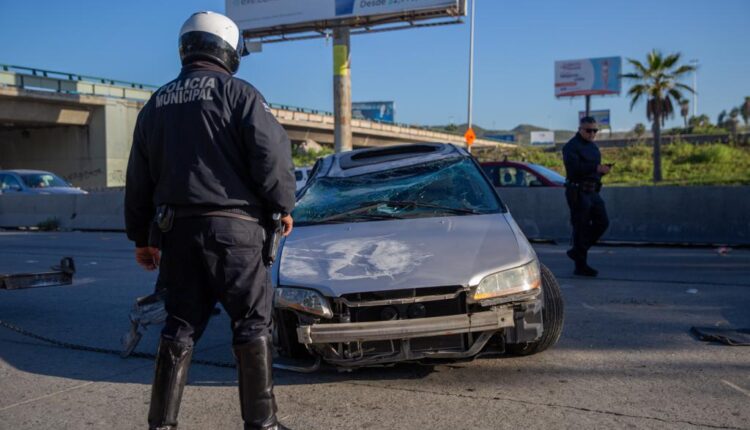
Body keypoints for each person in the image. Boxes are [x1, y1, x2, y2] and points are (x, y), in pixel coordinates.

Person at [125, 11, 296, 430]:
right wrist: (283, 205)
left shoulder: (156, 103)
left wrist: (142, 239)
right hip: (235, 232)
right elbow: (270, 158)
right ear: (227, 49)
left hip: (176, 233)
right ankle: (263, 425)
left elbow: (139, 179)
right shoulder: (240, 94)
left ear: (186, 47)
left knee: (179, 326)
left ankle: (161, 425)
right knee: (252, 324)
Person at [562, 116, 611, 277]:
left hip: (592, 191)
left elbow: (592, 171)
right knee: (580, 227)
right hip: (578, 191)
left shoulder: (593, 147)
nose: (592, 133)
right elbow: (574, 169)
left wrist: (601, 172)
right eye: (588, 130)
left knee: (602, 222)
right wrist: (596, 168)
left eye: (595, 130)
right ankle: (580, 265)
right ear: (580, 129)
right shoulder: (571, 146)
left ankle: (578, 251)